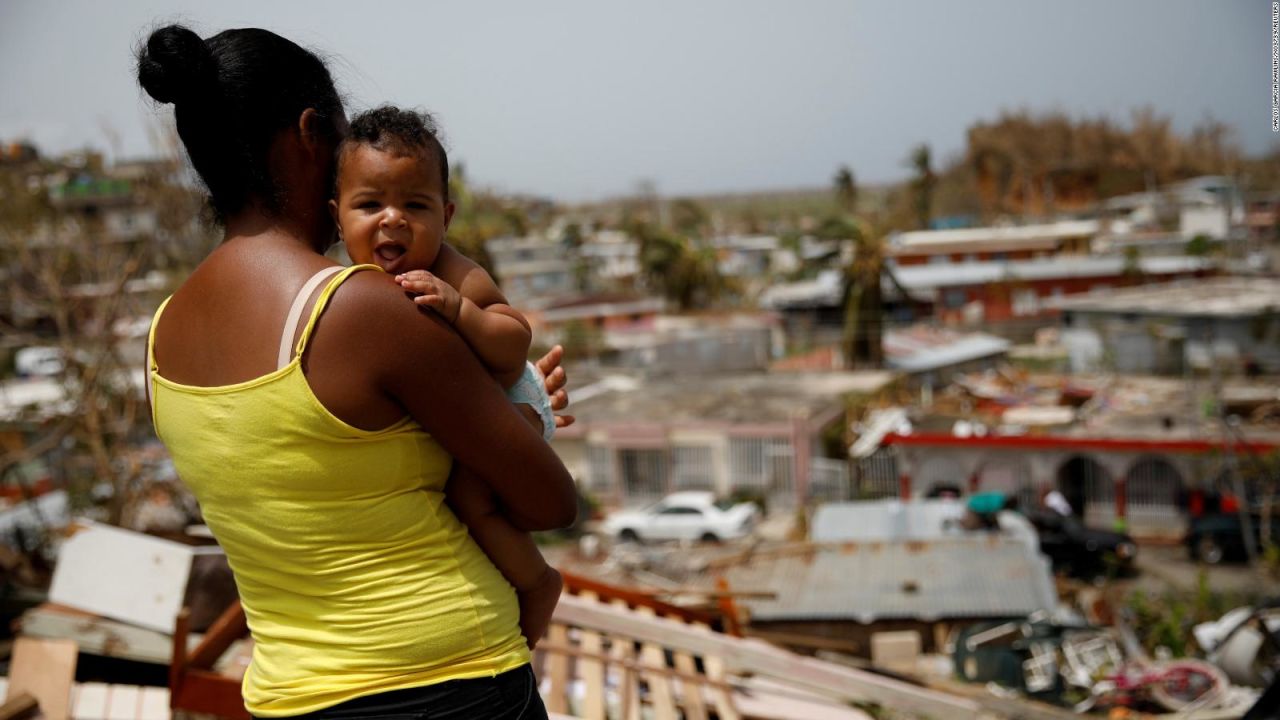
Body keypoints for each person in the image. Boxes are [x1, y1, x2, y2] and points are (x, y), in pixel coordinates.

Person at [137, 24, 574, 719]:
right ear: (312, 137)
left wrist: (498, 407)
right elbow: (550, 503)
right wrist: (519, 426)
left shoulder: (162, 336)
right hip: (450, 686)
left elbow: (331, 482)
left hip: (289, 698)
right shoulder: (359, 309)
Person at [330, 105, 561, 651]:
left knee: (466, 494)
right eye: (370, 205)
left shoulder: (455, 273)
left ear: (447, 215)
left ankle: (538, 580)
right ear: (336, 217)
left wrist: (462, 311)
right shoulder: (351, 283)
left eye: (416, 204)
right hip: (472, 407)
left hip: (515, 401)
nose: (393, 220)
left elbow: (514, 341)